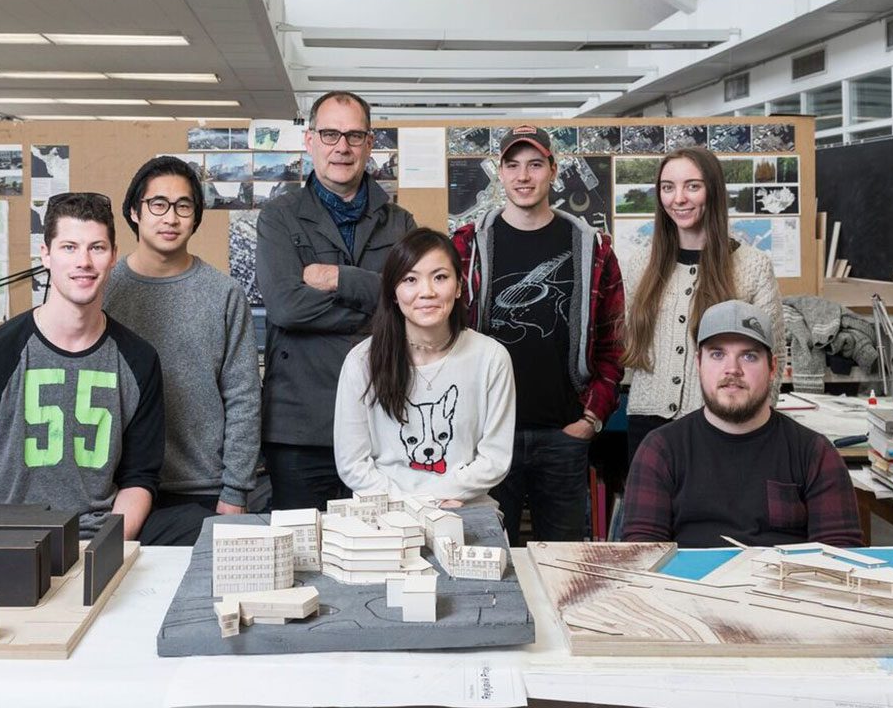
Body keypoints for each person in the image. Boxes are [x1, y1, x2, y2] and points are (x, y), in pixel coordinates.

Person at [0, 192, 173, 542]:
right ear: (46, 255)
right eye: (69, 247)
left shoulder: (139, 361)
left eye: (96, 247)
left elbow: (139, 478)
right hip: (7, 547)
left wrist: (104, 552)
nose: (84, 261)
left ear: (113, 257)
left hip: (95, 545)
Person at [452, 125, 624, 543]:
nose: (523, 176)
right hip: (488, 437)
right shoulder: (467, 245)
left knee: (565, 562)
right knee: (487, 556)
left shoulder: (593, 248)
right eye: (512, 165)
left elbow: (612, 344)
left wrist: (590, 419)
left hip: (562, 435)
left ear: (553, 169)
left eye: (534, 164)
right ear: (500, 172)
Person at [257, 90, 416, 510]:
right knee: (302, 557)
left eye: (353, 135)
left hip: (381, 424)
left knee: (383, 554)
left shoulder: (400, 223)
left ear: (369, 143)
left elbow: (411, 308)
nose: (341, 147)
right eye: (330, 134)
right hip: (301, 429)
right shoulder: (278, 217)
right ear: (310, 142)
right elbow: (286, 307)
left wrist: (337, 277)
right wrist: (377, 299)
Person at [622, 300, 862, 548]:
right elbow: (642, 558)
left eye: (749, 356)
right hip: (688, 585)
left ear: (772, 367)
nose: (732, 369)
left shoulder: (814, 453)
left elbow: (841, 558)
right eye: (717, 354)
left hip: (784, 585)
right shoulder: (660, 450)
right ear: (698, 364)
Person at [104, 156, 260, 530]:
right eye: (158, 204)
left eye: (183, 206)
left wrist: (235, 492)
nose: (170, 218)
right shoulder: (105, 290)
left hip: (203, 488)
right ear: (134, 212)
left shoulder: (223, 294)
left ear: (195, 216)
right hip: (115, 490)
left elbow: (244, 398)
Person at [621, 146, 784, 466]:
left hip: (726, 427)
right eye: (668, 188)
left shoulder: (752, 266)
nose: (678, 198)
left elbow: (771, 360)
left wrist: (754, 429)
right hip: (647, 427)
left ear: (713, 191)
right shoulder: (640, 263)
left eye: (692, 186)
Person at [334, 228, 515, 506]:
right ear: (394, 292)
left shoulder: (491, 357)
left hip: (463, 507)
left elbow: (495, 458)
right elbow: (352, 463)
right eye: (410, 279)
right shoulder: (362, 361)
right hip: (385, 512)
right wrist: (407, 503)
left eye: (440, 277)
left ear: (458, 287)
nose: (427, 292)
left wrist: (442, 496)